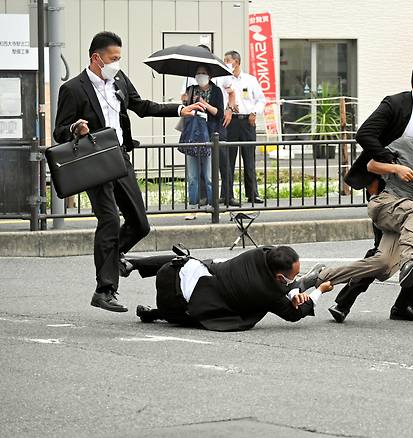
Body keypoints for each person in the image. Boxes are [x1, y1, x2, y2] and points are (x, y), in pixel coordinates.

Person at [53, 31, 203, 313]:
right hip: (93, 160)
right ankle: (104, 289)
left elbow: (142, 106)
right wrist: (76, 129)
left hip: (119, 157)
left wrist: (180, 109)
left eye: (119, 58)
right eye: (113, 58)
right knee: (109, 220)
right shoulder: (73, 89)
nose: (117, 64)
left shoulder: (119, 80)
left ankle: (114, 258)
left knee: (140, 223)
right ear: (96, 58)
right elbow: (59, 131)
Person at [332, 58, 413, 323]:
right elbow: (365, 134)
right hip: (390, 189)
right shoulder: (396, 104)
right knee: (382, 251)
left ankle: (405, 305)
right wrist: (392, 164)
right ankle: (345, 300)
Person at [313, 108, 413, 308]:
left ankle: (320, 276)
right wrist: (395, 168)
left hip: (407, 220)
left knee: (381, 264)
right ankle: (411, 260)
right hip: (385, 204)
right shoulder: (405, 144)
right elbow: (371, 165)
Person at [123, 246, 333, 331]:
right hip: (176, 308)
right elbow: (294, 315)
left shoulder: (258, 254)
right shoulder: (268, 293)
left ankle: (134, 264)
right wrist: (320, 291)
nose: (295, 278)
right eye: (294, 276)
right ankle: (158, 313)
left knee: (188, 261)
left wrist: (294, 290)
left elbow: (273, 252)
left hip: (169, 273)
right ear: (279, 277)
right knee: (208, 310)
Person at [178, 64, 227, 220]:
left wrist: (205, 104)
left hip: (210, 136)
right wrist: (187, 103)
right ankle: (192, 208)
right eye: (198, 73)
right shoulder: (191, 89)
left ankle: (213, 206)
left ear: (210, 76)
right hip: (193, 135)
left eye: (204, 73)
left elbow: (219, 114)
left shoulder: (217, 91)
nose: (201, 75)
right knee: (192, 176)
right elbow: (186, 112)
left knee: (209, 175)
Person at [221, 50, 266, 206]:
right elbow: (220, 100)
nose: (225, 62)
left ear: (237, 62)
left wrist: (254, 112)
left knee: (249, 159)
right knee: (228, 160)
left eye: (228, 60)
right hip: (230, 122)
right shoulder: (223, 80)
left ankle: (252, 193)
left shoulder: (250, 80)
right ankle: (227, 194)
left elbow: (261, 100)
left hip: (247, 122)